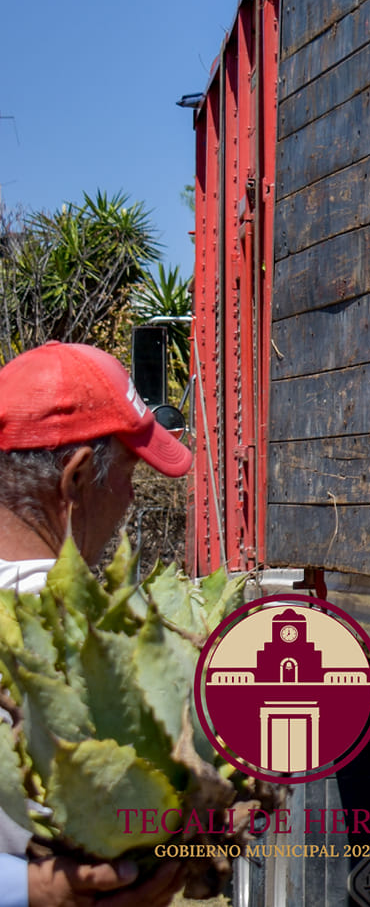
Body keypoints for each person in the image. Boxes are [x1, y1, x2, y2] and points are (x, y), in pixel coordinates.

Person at [0, 343, 191, 907]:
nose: (130, 499)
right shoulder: (90, 650)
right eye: (128, 474)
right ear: (79, 478)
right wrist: (35, 891)